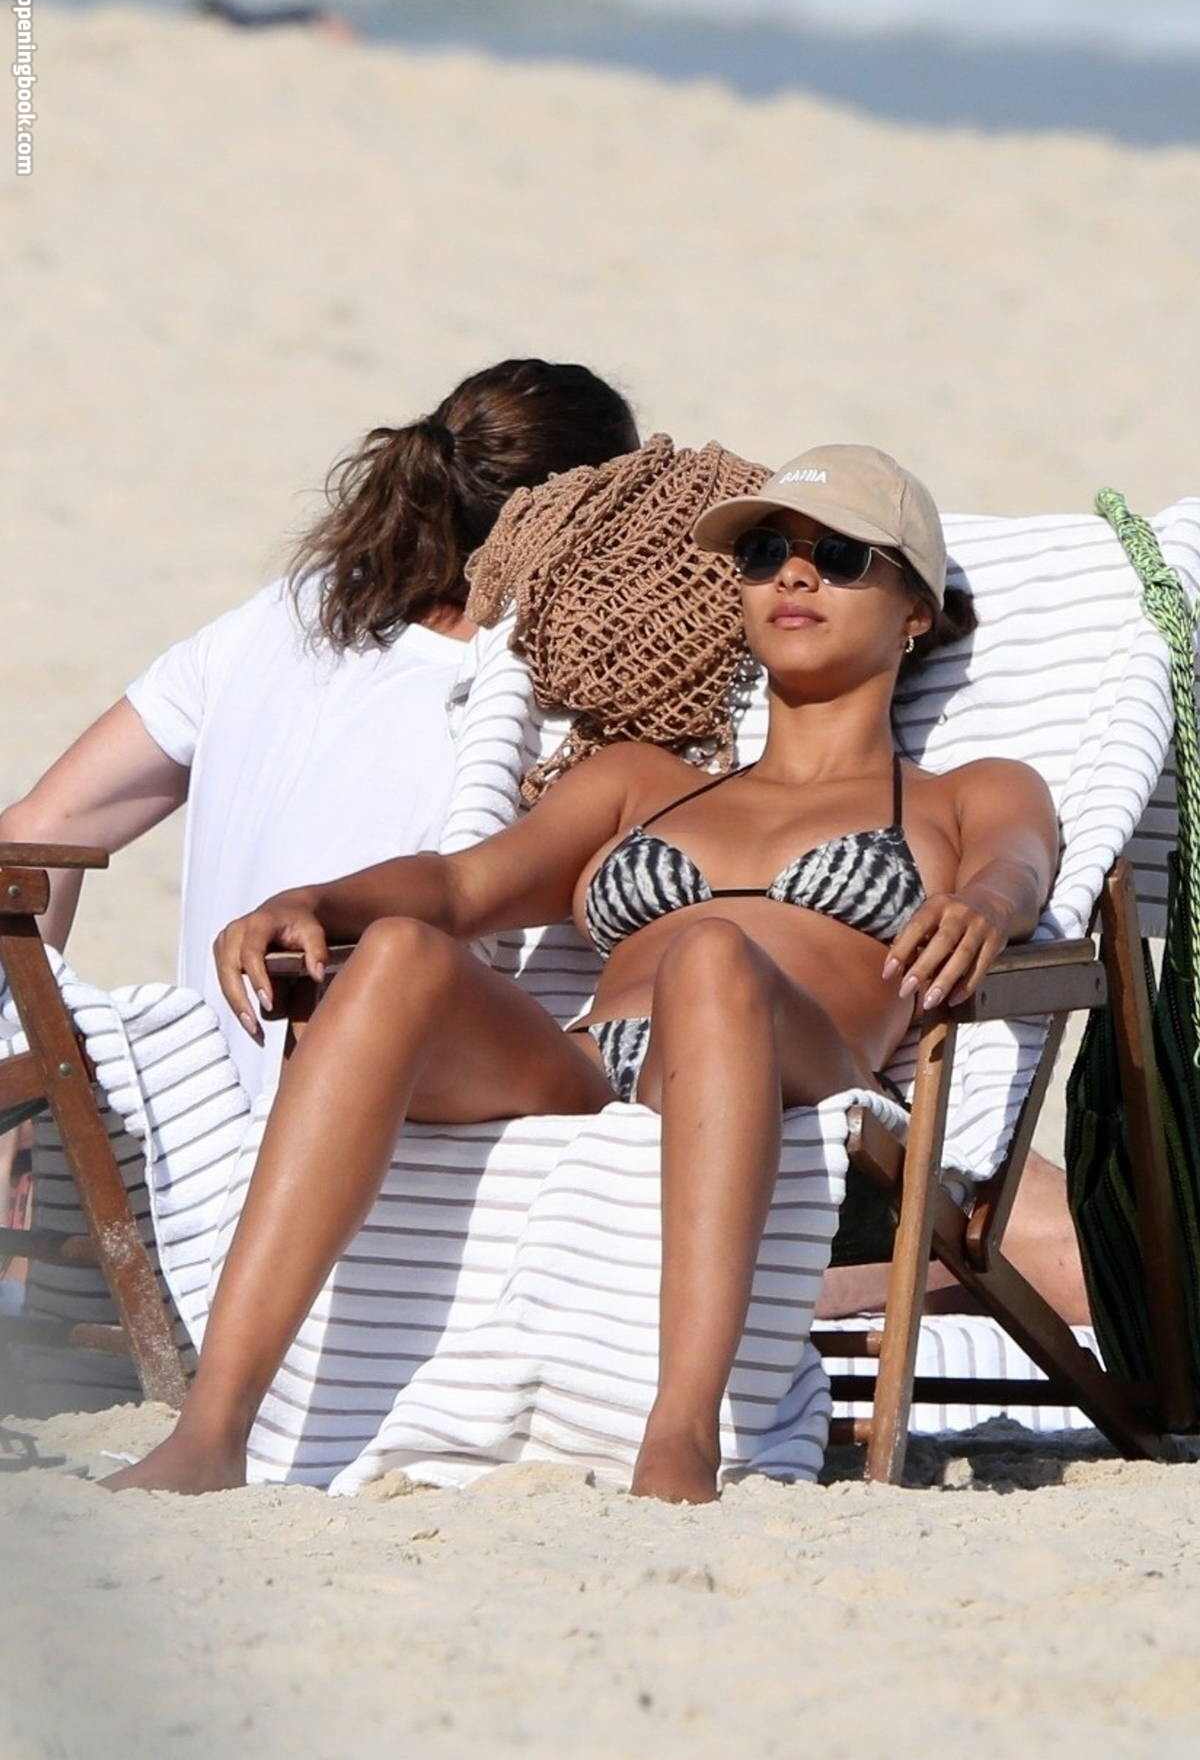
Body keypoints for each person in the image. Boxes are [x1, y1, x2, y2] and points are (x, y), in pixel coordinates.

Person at [102, 443, 1061, 1506]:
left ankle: (679, 1443)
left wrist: (982, 906)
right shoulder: (642, 782)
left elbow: (1017, 870)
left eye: (840, 557)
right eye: (764, 552)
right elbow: (460, 886)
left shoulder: (967, 793)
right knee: (403, 953)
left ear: (916, 610)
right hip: (599, 1067)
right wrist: (321, 902)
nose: (793, 574)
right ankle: (214, 1430)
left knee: (710, 952)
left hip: (805, 1066)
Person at [0, 357, 640, 1114]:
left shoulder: (291, 614)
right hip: (381, 1141)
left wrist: (22, 1068)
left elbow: (42, 828)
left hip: (195, 1126)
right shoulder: (556, 694)